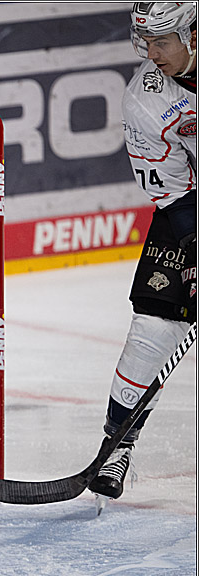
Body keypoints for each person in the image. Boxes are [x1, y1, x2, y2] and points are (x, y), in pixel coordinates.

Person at [91, 2, 196, 502]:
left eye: (163, 41)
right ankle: (118, 444)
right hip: (190, 202)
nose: (152, 54)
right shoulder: (147, 99)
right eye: (146, 42)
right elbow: (170, 189)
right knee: (154, 326)